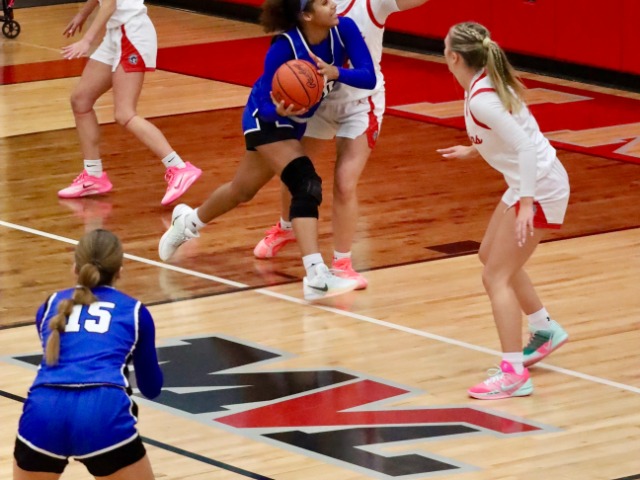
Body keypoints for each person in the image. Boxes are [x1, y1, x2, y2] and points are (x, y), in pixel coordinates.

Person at [158, 0, 376, 301]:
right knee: (306, 183)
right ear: (306, 14)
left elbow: (368, 76)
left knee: (241, 190)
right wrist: (280, 110)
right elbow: (264, 106)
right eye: (324, 2)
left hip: (295, 125)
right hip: (265, 121)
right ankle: (316, 276)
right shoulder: (284, 47)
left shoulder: (344, 29)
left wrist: (335, 72)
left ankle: (188, 222)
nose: (333, 5)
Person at [253, 0, 429, 290]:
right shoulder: (308, 7)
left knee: (345, 182)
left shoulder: (371, 4)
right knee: (294, 172)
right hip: (317, 102)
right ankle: (287, 227)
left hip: (360, 104)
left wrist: (336, 72)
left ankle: (342, 264)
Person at [437, 22, 570, 400]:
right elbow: (513, 133)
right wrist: (472, 149)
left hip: (539, 185)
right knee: (489, 257)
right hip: (530, 181)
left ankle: (513, 374)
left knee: (496, 276)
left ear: (454, 57)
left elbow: (525, 147)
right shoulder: (484, 82)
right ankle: (544, 329)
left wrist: (526, 202)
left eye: (444, 47)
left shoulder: (483, 97)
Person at [13, 229, 163, 479]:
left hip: (44, 409)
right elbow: (151, 388)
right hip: (102, 410)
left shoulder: (49, 306)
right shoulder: (135, 312)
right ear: (120, 271)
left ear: (75, 268)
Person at [57, 0, 201, 206]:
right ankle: (93, 176)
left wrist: (87, 40)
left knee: (124, 113)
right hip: (116, 33)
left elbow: (110, 5)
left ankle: (179, 167)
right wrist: (83, 14)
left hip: (133, 34)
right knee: (81, 101)